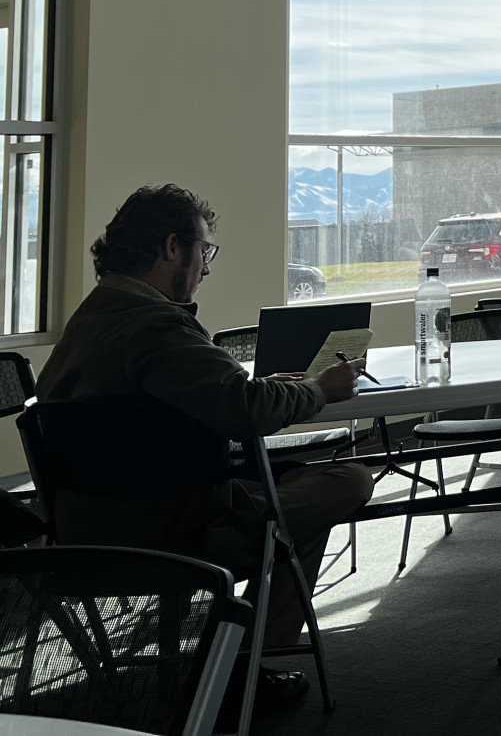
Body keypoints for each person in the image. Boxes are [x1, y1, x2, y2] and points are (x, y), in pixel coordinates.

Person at [37, 185, 373, 713]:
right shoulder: (156, 324)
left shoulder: (92, 318)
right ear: (173, 247)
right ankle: (241, 666)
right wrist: (317, 390)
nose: (206, 268)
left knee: (285, 504)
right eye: (204, 251)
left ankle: (237, 661)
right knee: (345, 481)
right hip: (177, 530)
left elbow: (186, 404)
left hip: (86, 534)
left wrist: (262, 391)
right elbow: (246, 411)